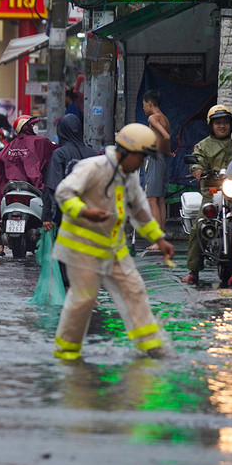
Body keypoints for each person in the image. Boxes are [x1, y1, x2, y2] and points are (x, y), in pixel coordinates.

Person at [52, 123, 177, 361]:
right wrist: (85, 212)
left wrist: (159, 240)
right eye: (141, 158)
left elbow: (140, 211)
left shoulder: (128, 177)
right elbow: (64, 193)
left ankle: (150, 344)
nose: (142, 164)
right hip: (82, 248)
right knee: (84, 299)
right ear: (126, 152)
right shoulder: (93, 167)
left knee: (134, 289)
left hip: (113, 248)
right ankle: (66, 350)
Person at [0, 114, 56, 255]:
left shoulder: (11, 145)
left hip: (13, 188)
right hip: (34, 186)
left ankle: (0, 246)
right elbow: (56, 153)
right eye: (33, 125)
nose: (36, 127)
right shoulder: (40, 142)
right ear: (27, 127)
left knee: (4, 208)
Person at [184, 104, 232, 287]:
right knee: (199, 226)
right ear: (211, 125)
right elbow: (196, 160)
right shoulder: (203, 145)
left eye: (225, 122)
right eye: (218, 123)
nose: (222, 126)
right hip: (213, 192)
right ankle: (193, 270)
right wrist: (197, 169)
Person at [141, 90, 172, 241]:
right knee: (160, 198)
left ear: (149, 104)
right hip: (162, 158)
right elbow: (165, 139)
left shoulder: (153, 118)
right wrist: (168, 152)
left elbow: (165, 136)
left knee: (151, 198)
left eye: (144, 105)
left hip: (153, 159)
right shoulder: (165, 118)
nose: (143, 108)